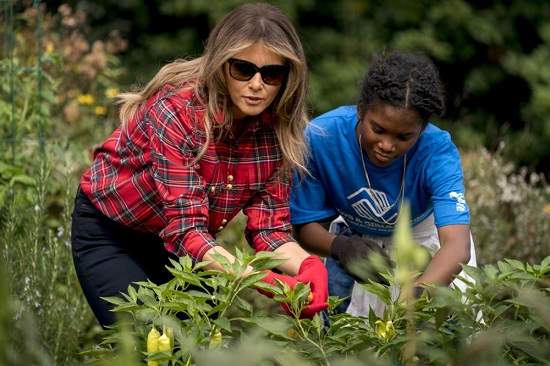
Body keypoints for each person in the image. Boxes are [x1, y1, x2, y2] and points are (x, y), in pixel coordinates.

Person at [71, 2, 328, 327]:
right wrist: (268, 283)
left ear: (288, 77)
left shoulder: (277, 130)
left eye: (271, 73)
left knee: (198, 345)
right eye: (243, 69)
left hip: (185, 244)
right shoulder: (177, 112)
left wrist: (309, 266)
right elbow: (186, 229)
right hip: (114, 231)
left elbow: (268, 227)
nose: (256, 84)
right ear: (221, 65)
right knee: (142, 340)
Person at [290, 51, 477, 316]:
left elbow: (457, 247)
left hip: (425, 238)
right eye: (377, 129)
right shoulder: (323, 137)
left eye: (403, 137)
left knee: (449, 340)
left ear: (422, 129)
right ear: (361, 110)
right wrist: (340, 246)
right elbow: (305, 228)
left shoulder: (437, 151)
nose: (387, 145)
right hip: (357, 241)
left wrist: (416, 298)